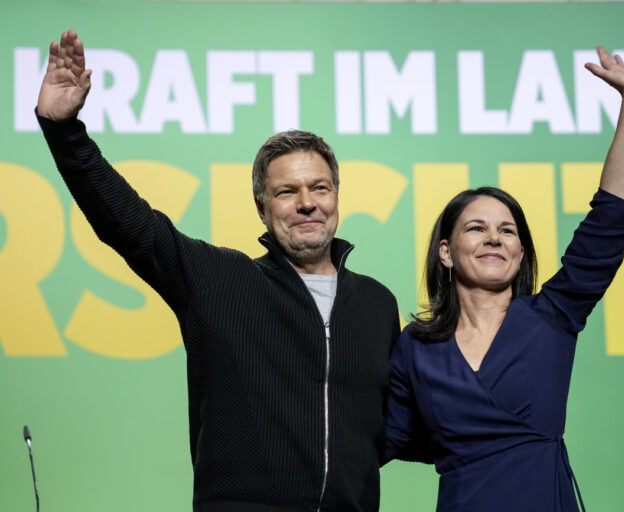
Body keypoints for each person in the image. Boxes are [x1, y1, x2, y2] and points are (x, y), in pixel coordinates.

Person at [37, 30, 400, 511]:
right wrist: (63, 131)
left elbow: (396, 426)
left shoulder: (377, 304)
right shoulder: (218, 280)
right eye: (287, 192)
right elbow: (128, 224)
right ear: (262, 207)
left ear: (337, 197)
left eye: (320, 188)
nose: (308, 203)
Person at [384, 45, 624, 511]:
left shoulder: (551, 317)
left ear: (520, 251)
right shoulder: (415, 346)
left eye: (507, 230)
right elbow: (382, 439)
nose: (495, 238)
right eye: (476, 228)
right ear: (445, 252)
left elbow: (608, 222)